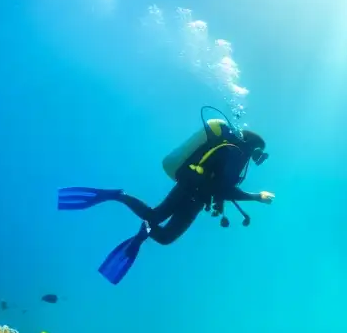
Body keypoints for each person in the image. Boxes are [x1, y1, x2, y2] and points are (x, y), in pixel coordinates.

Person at [58, 107, 274, 284]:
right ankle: (122, 199)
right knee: (162, 232)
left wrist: (219, 202)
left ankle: (125, 204)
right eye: (259, 154)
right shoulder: (237, 154)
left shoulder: (231, 152)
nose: (258, 159)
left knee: (157, 221)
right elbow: (223, 189)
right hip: (193, 195)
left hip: (190, 190)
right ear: (250, 146)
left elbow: (220, 185)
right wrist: (255, 197)